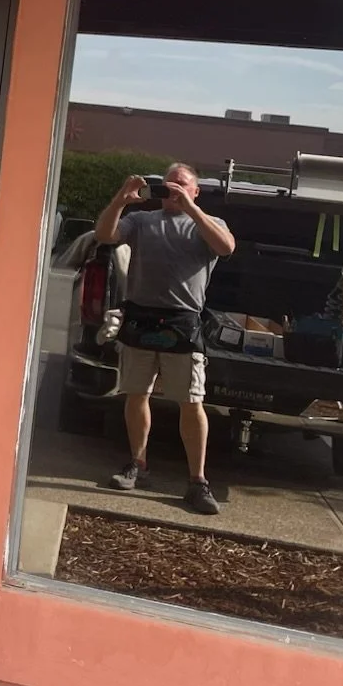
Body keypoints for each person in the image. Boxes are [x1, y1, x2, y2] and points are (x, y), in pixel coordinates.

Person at [94, 163, 235, 515]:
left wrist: (191, 209)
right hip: (140, 319)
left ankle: (197, 481)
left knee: (191, 401)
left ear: (196, 190)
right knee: (136, 394)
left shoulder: (209, 223)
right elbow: (105, 235)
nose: (173, 189)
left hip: (182, 325)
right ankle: (136, 465)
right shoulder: (142, 222)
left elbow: (226, 248)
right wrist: (121, 200)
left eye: (182, 185)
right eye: (168, 184)